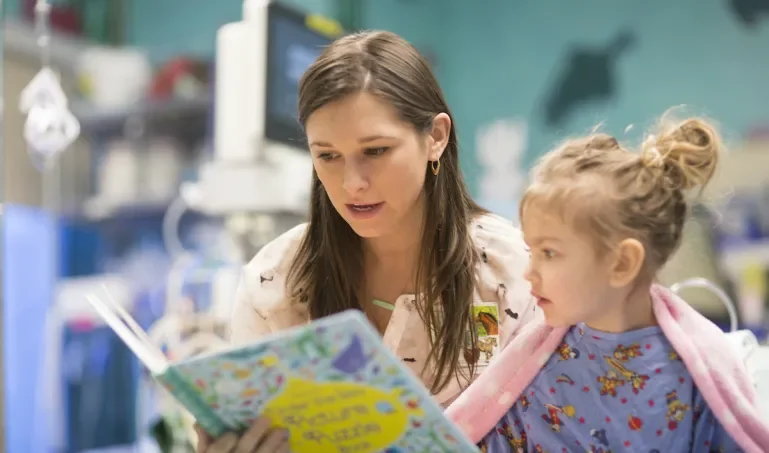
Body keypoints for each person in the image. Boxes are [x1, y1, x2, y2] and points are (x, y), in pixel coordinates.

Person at [195, 30, 538, 453]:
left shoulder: (512, 273)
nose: (352, 183)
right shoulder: (277, 284)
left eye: (375, 151)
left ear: (435, 137)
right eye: (327, 156)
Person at [460, 115, 753, 452]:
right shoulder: (531, 369)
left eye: (549, 252)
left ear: (622, 263)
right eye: (531, 250)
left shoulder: (699, 376)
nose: (529, 272)